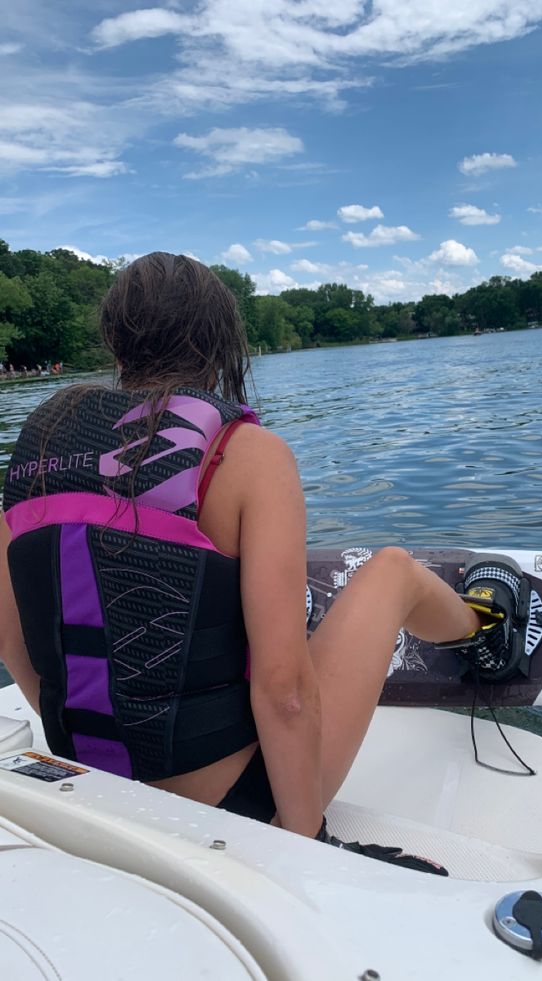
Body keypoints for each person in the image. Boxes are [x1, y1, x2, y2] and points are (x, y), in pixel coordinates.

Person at [0, 253, 508, 873]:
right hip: (234, 806)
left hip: (93, 791)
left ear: (114, 341)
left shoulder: (40, 449)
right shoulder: (245, 454)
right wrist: (306, 842)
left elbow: (18, 644)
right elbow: (285, 691)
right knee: (394, 571)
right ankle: (486, 633)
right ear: (222, 341)